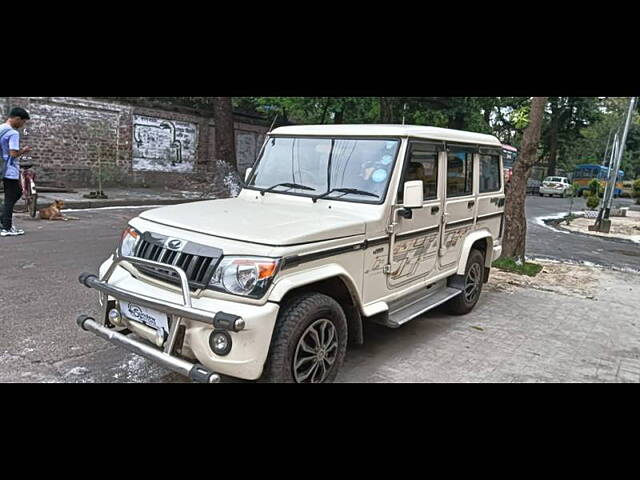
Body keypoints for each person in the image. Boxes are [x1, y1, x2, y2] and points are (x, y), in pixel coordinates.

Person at [1, 107, 31, 237]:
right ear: (17, 119)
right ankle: (6, 227)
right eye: (23, 122)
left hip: (1, 166)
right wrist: (23, 151)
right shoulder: (13, 133)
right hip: (9, 168)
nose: (22, 125)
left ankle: (3, 223)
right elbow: (13, 154)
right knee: (13, 195)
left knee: (10, 196)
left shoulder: (1, 128)